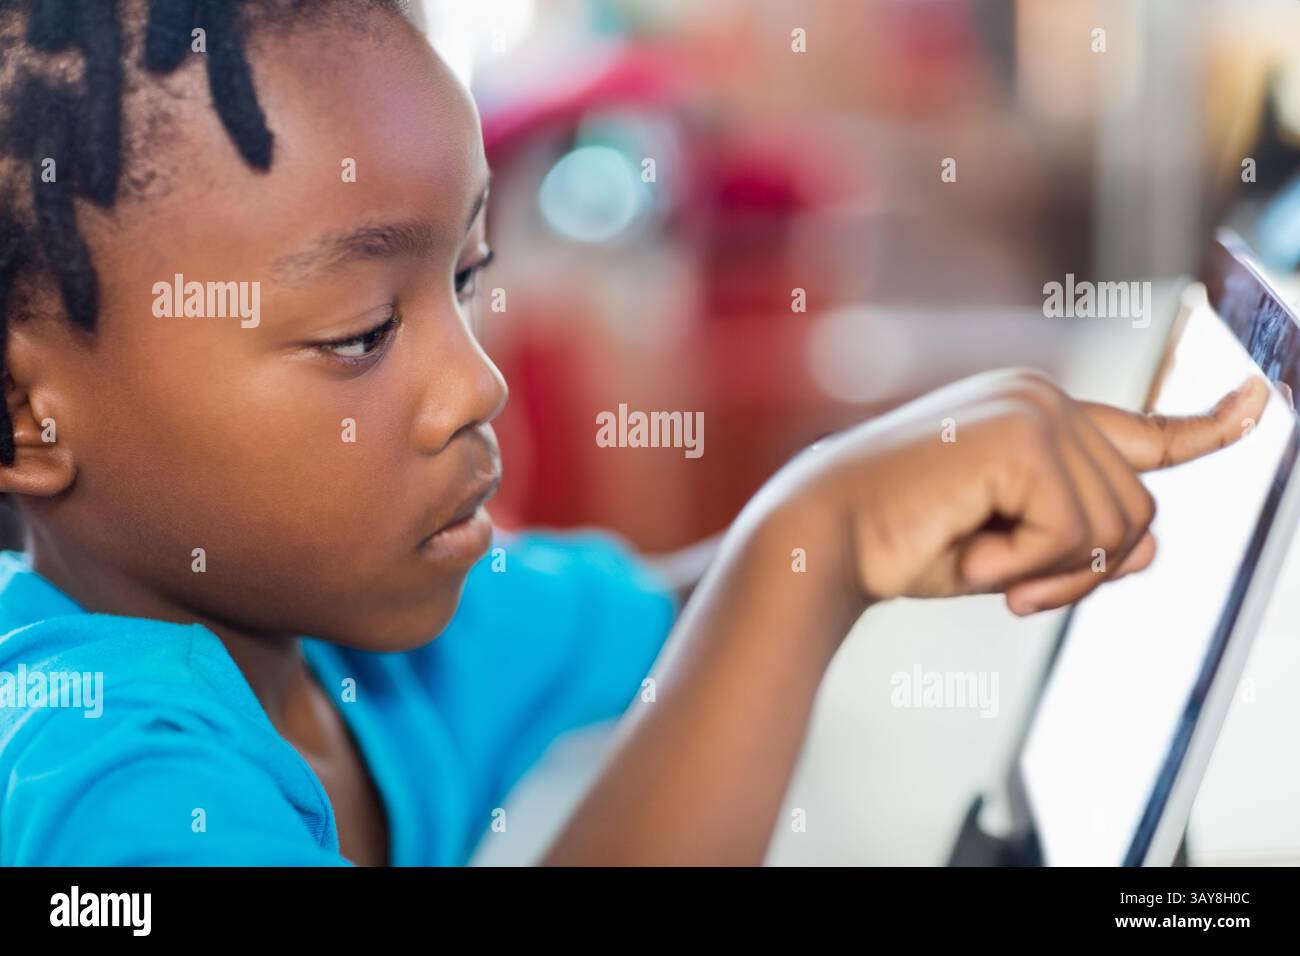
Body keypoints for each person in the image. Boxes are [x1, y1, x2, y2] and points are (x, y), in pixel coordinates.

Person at [0, 0, 1268, 866]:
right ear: (25, 412)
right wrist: (815, 545)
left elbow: (665, 613)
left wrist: (875, 500)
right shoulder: (107, 794)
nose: (475, 385)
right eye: (360, 334)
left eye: (469, 279)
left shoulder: (360, 644)